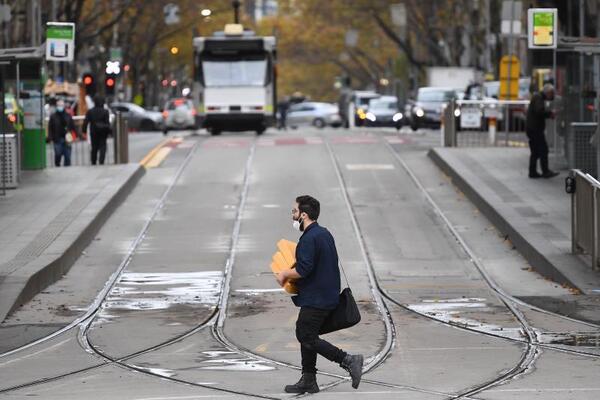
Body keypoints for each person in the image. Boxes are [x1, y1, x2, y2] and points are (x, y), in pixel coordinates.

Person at [276, 195, 364, 394]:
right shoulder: (324, 234)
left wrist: (284, 273)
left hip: (316, 298)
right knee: (307, 334)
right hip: (327, 295)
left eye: (294, 211)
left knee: (305, 334)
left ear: (303, 215)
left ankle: (349, 360)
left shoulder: (309, 238)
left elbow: (304, 269)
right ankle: (308, 379)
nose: (292, 215)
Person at [526, 83, 559, 179]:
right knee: (543, 150)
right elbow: (539, 111)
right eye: (551, 94)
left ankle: (533, 172)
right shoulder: (538, 97)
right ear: (548, 92)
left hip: (533, 129)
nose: (552, 96)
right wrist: (550, 113)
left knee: (535, 151)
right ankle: (545, 171)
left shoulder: (538, 97)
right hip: (535, 129)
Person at [83, 95, 112, 165]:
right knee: (103, 147)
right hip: (103, 132)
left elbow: (86, 122)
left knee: (94, 148)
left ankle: (93, 162)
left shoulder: (90, 111)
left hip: (93, 132)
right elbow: (107, 123)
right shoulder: (105, 111)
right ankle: (101, 161)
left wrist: (83, 131)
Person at [48, 99, 75, 167]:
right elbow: (50, 127)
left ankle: (67, 170)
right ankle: (58, 166)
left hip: (67, 138)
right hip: (57, 138)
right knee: (58, 154)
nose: (60, 107)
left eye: (61, 105)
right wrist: (50, 137)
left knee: (67, 156)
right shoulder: (53, 116)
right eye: (59, 105)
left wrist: (76, 135)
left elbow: (72, 126)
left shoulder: (68, 115)